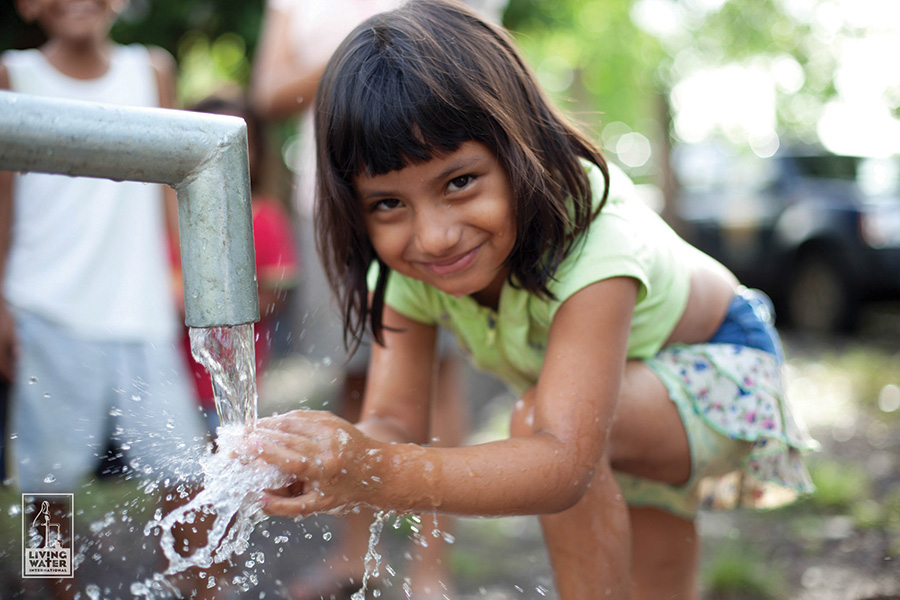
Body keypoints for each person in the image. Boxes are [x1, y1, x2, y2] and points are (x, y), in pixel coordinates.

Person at [247, 1, 819, 598]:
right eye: (389, 203)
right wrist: (317, 456)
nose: (434, 235)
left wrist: (376, 470)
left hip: (721, 369)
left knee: (542, 424)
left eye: (459, 182)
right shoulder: (404, 268)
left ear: (519, 145)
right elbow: (393, 420)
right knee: (658, 587)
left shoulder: (592, 235)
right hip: (620, 400)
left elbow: (563, 465)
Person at [251, 0, 502, 597]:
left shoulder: (146, 68)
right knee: (356, 380)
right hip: (345, 208)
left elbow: (488, 64)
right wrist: (369, 54)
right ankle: (52, 581)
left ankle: (429, 568)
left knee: (436, 385)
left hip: (400, 200)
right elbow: (267, 91)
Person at [0, 0, 217, 597]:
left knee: (188, 474)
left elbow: (177, 186)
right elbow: (3, 201)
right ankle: (55, 591)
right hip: (46, 306)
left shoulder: (151, 70)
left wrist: (187, 282)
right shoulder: (14, 74)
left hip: (142, 308)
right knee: (50, 485)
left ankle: (202, 588)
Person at [179, 92, 300, 435]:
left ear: (258, 150)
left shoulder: (264, 218)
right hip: (171, 376)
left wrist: (197, 302)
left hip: (229, 384)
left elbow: (275, 297)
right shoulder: (172, 218)